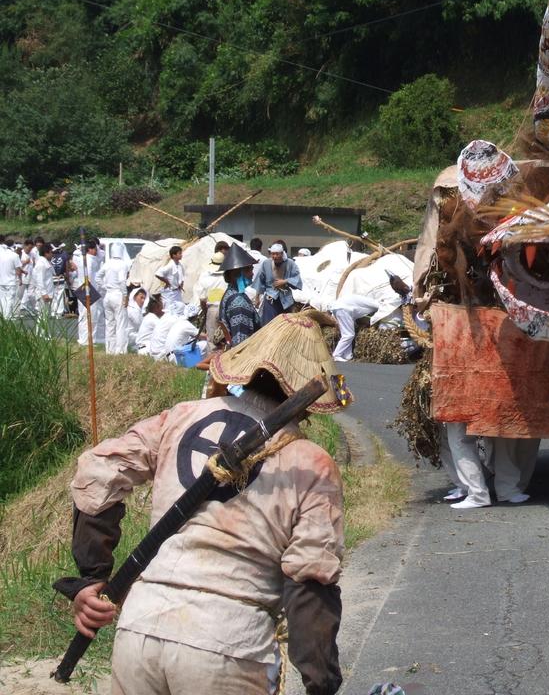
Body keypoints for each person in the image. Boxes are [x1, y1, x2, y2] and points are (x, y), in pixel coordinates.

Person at [59, 310, 349, 695]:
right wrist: (321, 684)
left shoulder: (181, 417)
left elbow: (98, 470)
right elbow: (311, 579)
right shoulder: (312, 463)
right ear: (308, 397)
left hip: (140, 631)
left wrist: (92, 577)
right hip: (230, 643)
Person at [253, 243, 302, 324]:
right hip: (271, 298)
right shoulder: (266, 263)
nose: (275, 256)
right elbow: (260, 281)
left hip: (286, 299)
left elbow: (297, 279)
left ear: (282, 253)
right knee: (269, 323)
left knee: (286, 324)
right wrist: (257, 297)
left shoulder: (290, 263)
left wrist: (285, 281)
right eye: (273, 254)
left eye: (277, 254)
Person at [97, 241, 131, 354]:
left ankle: (110, 349)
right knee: (121, 324)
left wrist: (105, 287)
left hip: (108, 295)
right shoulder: (123, 264)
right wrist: (125, 296)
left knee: (110, 324)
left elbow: (98, 277)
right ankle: (120, 350)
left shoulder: (107, 263)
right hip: (118, 294)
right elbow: (122, 281)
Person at [74, 239, 106, 347]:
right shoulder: (90, 260)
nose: (97, 251)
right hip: (89, 290)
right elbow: (90, 277)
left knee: (84, 316)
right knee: (91, 317)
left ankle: (84, 339)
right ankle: (88, 340)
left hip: (83, 289)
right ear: (91, 249)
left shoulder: (83, 259)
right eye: (96, 249)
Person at [329, 295, 379, 362]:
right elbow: (379, 309)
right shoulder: (374, 304)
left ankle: (347, 355)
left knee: (347, 333)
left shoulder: (363, 300)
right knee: (349, 334)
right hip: (343, 309)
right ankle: (337, 355)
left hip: (339, 308)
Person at [194, 251, 228, 341]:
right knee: (225, 338)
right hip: (225, 309)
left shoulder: (204, 278)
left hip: (212, 309)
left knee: (212, 339)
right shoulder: (227, 278)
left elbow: (202, 300)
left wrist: (206, 312)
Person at [155, 245, 186, 316]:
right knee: (169, 311)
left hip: (177, 292)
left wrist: (181, 284)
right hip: (170, 292)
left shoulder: (180, 265)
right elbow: (158, 273)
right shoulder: (170, 266)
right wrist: (167, 282)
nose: (181, 255)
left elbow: (182, 276)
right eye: (179, 253)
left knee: (179, 309)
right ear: (174, 255)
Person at [0, 237, 19, 318]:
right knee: (10, 299)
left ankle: (3, 316)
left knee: (3, 299)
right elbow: (18, 269)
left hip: (1, 281)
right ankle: (7, 317)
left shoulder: (1, 255)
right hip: (11, 281)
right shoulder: (15, 255)